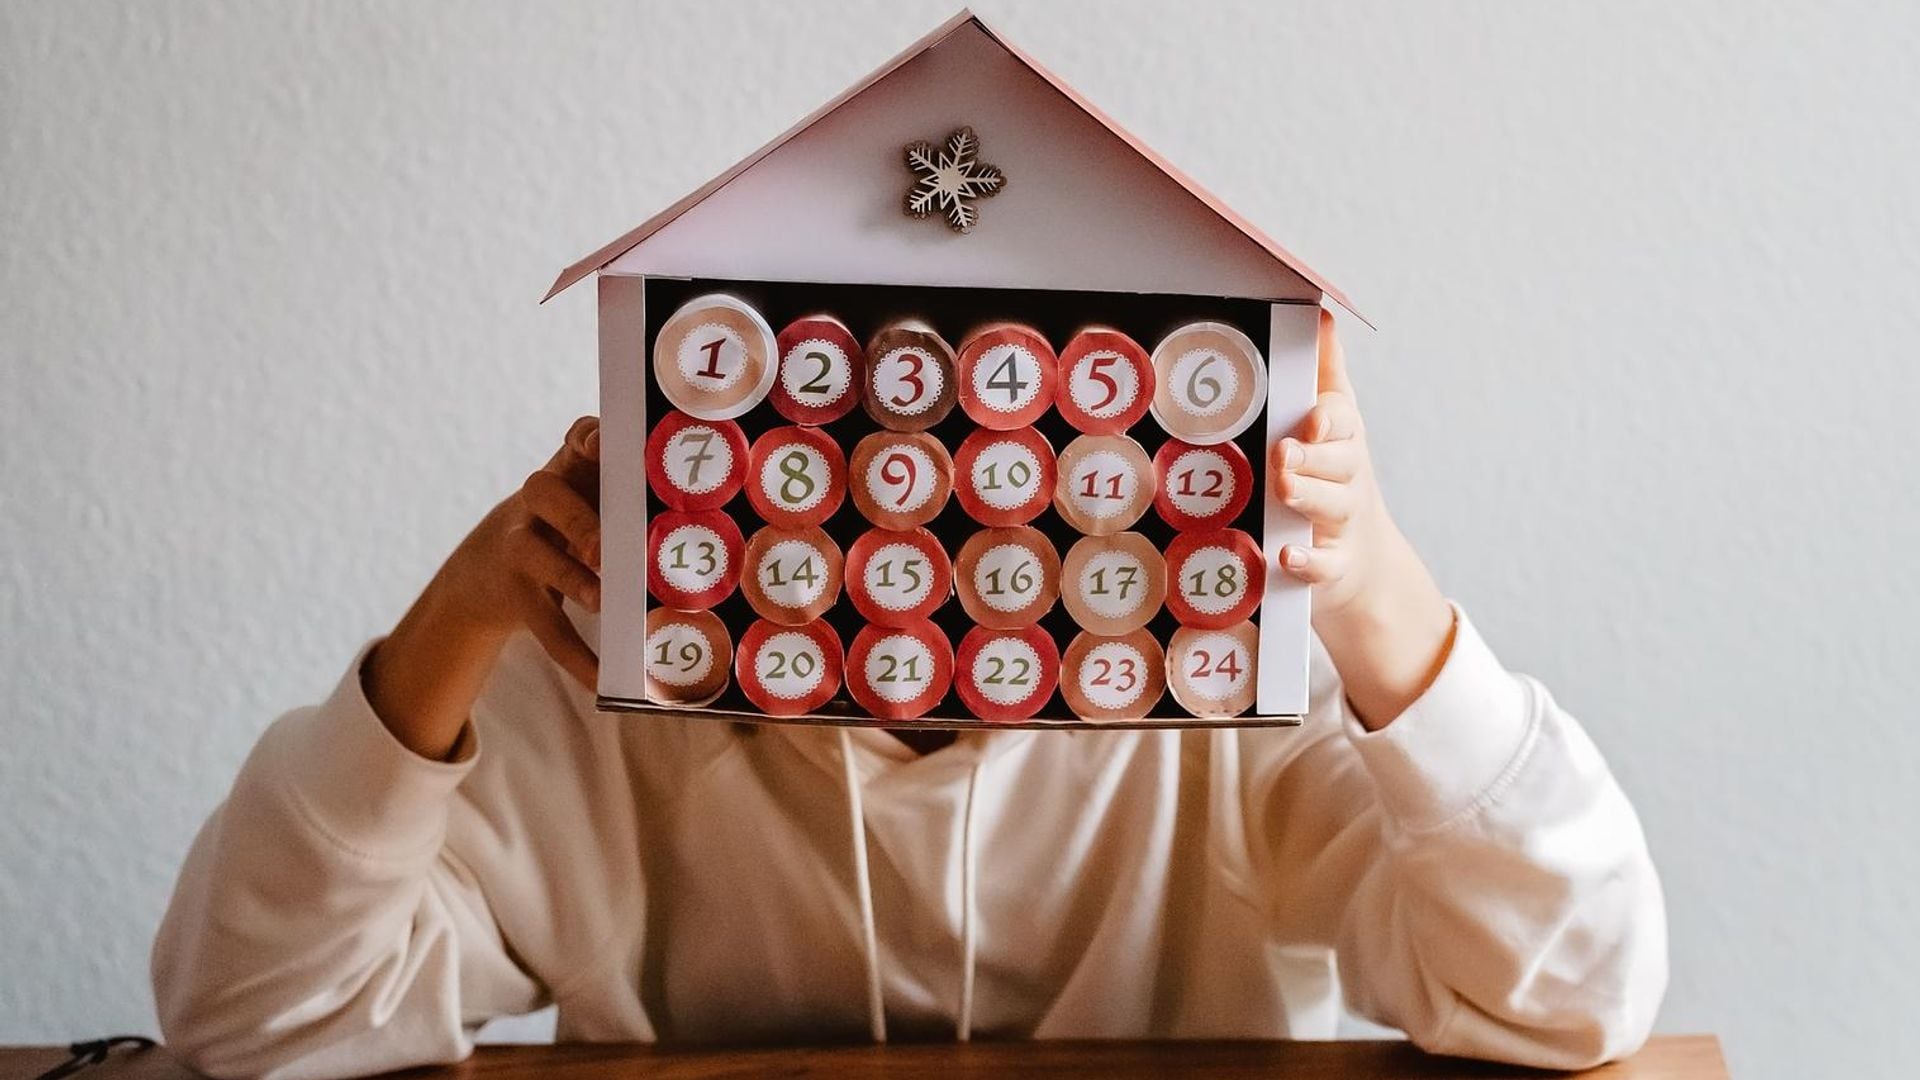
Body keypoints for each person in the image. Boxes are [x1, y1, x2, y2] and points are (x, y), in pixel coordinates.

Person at [152, 313, 1666, 1078]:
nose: (936, 516)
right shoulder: (606, 705)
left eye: (1004, 431)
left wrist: (1379, 592)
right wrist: (459, 619)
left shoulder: (1228, 714)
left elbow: (1571, 992)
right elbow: (255, 1017)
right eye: (866, 438)